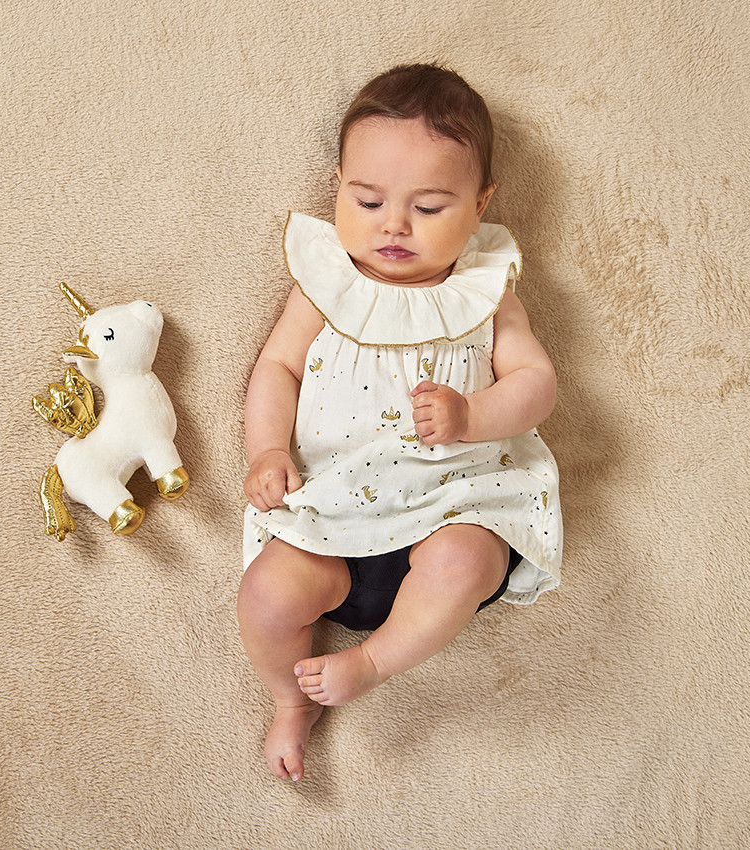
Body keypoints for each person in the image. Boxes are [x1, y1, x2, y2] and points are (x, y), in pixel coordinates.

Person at [238, 63, 563, 782]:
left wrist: (473, 414)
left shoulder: (484, 292)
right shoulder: (324, 284)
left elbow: (537, 384)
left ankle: (373, 662)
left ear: (479, 204)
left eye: (430, 207)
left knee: (466, 563)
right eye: (368, 199)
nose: (393, 224)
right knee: (266, 594)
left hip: (454, 507)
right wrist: (266, 450)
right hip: (331, 513)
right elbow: (278, 368)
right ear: (338, 187)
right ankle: (290, 701)